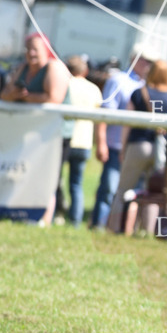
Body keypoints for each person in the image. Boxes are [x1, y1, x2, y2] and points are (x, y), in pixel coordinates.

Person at [1, 33, 70, 226]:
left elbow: (53, 98)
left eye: (35, 49)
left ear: (46, 50)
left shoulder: (55, 67)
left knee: (48, 176)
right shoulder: (23, 68)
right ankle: (21, 212)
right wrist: (15, 94)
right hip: (29, 132)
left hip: (55, 134)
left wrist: (24, 96)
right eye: (27, 49)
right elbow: (5, 95)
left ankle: (45, 218)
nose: (30, 53)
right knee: (24, 173)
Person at [106, 60, 167, 233]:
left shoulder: (140, 92)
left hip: (138, 145)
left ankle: (114, 227)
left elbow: (127, 123)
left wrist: (123, 148)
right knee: (154, 194)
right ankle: (148, 231)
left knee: (123, 190)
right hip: (162, 151)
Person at [91, 52, 152, 229]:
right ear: (134, 59)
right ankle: (99, 225)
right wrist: (101, 142)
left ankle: (118, 226)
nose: (148, 65)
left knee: (128, 193)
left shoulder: (146, 85)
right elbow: (106, 113)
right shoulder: (118, 80)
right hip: (115, 145)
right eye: (145, 60)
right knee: (108, 189)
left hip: (133, 148)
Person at [60, 56, 103, 226]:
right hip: (84, 142)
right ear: (84, 71)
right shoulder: (93, 89)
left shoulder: (65, 85)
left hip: (64, 139)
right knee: (76, 185)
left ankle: (57, 213)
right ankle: (75, 220)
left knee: (56, 180)